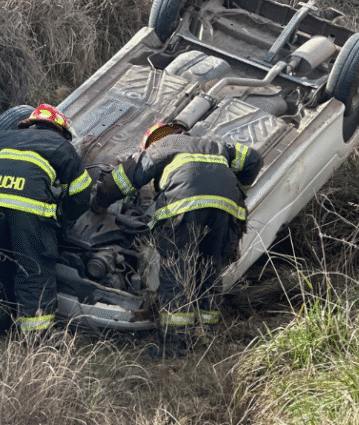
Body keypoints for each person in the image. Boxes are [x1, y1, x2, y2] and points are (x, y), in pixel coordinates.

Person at [90, 121, 263, 358]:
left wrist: (99, 200)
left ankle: (175, 346)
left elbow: (124, 180)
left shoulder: (163, 145)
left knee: (176, 270)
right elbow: (254, 159)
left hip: (184, 205)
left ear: (153, 140)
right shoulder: (214, 144)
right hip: (227, 208)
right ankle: (205, 339)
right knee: (210, 270)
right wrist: (239, 189)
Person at [0, 104, 92, 338]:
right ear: (60, 130)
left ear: (27, 123)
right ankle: (36, 336)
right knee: (33, 270)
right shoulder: (61, 146)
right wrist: (62, 219)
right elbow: (81, 193)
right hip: (29, 211)